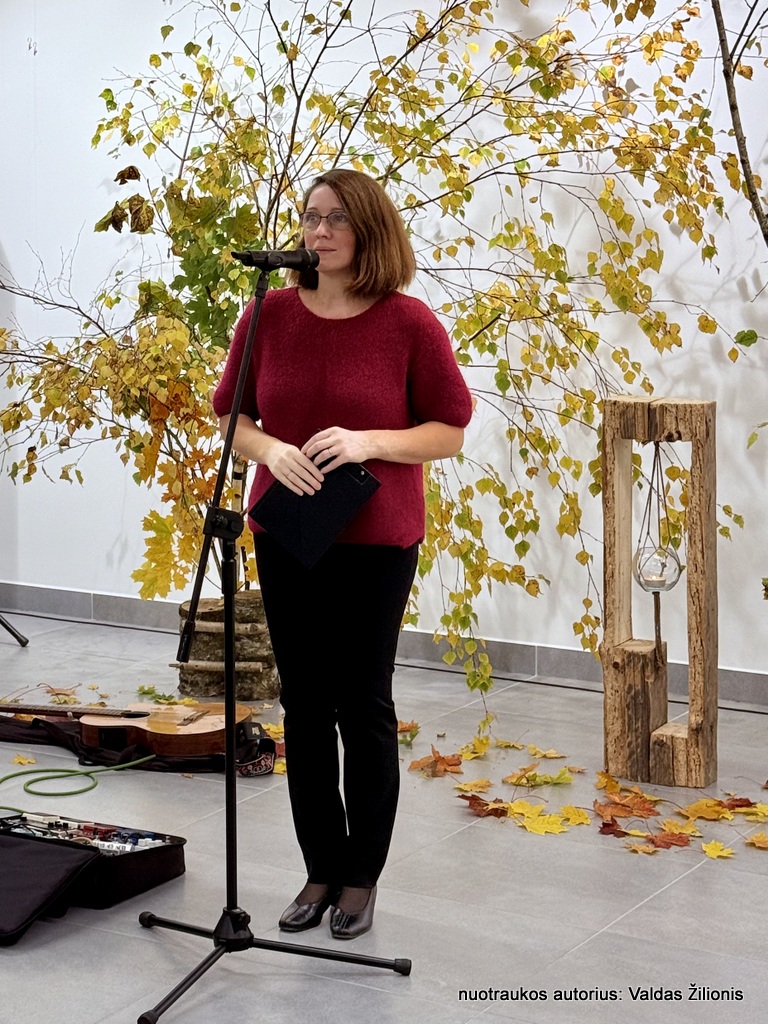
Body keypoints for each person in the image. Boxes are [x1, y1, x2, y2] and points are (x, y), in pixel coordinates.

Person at [212, 168, 473, 940]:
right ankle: (320, 867)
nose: (317, 232)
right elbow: (231, 416)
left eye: (335, 219)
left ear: (369, 230)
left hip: (376, 539)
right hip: (286, 533)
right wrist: (270, 450)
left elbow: (450, 431)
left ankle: (361, 876)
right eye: (310, 217)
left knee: (362, 704)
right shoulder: (268, 314)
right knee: (303, 703)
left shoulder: (408, 322)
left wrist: (368, 442)